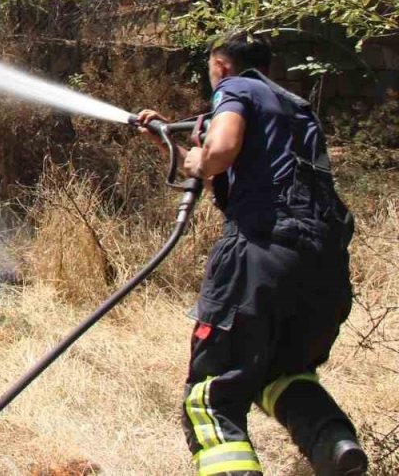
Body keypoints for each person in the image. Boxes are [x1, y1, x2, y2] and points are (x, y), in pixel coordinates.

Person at [138, 32, 366, 476]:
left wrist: (205, 153)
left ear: (220, 66)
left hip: (261, 252)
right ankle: (335, 446)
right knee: (284, 374)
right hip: (322, 264)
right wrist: (166, 141)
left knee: (210, 395)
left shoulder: (235, 87)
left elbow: (219, 152)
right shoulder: (294, 108)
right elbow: (220, 168)